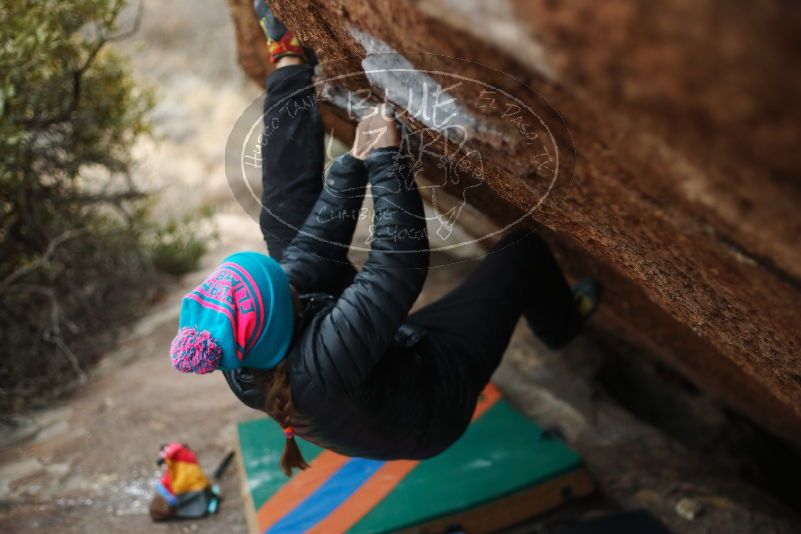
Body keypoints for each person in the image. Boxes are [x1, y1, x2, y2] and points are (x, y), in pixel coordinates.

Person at [168, 4, 598, 476]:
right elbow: (396, 264)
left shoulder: (241, 347)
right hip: (433, 398)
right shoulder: (323, 362)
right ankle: (562, 327)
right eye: (283, 286)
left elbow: (309, 251)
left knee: (287, 231)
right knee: (523, 254)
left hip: (365, 372)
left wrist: (353, 163)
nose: (288, 277)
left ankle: (289, 61)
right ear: (285, 315)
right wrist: (388, 158)